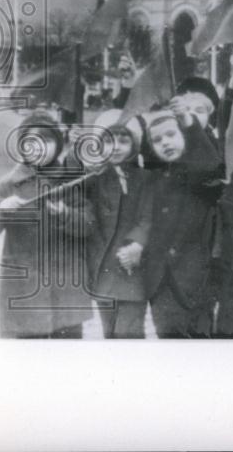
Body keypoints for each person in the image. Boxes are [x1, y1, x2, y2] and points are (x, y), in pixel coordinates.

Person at [0, 110, 93, 338]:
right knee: (28, 352)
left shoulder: (71, 181)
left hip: (65, 284)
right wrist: (1, 209)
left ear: (58, 145)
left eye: (47, 140)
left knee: (67, 351)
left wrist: (66, 213)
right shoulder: (8, 185)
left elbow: (88, 223)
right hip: (25, 286)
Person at [140, 106, 222, 338]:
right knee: (168, 337)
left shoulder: (199, 172)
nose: (165, 142)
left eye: (171, 135)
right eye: (157, 140)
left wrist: (191, 125)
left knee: (200, 345)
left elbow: (211, 166)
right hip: (162, 281)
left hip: (197, 279)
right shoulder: (153, 178)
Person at [83, 110, 153, 338]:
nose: (115, 146)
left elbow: (148, 216)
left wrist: (138, 244)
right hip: (103, 265)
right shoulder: (93, 177)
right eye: (107, 140)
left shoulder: (144, 178)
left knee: (129, 332)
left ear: (135, 144)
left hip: (131, 266)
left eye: (124, 140)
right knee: (110, 331)